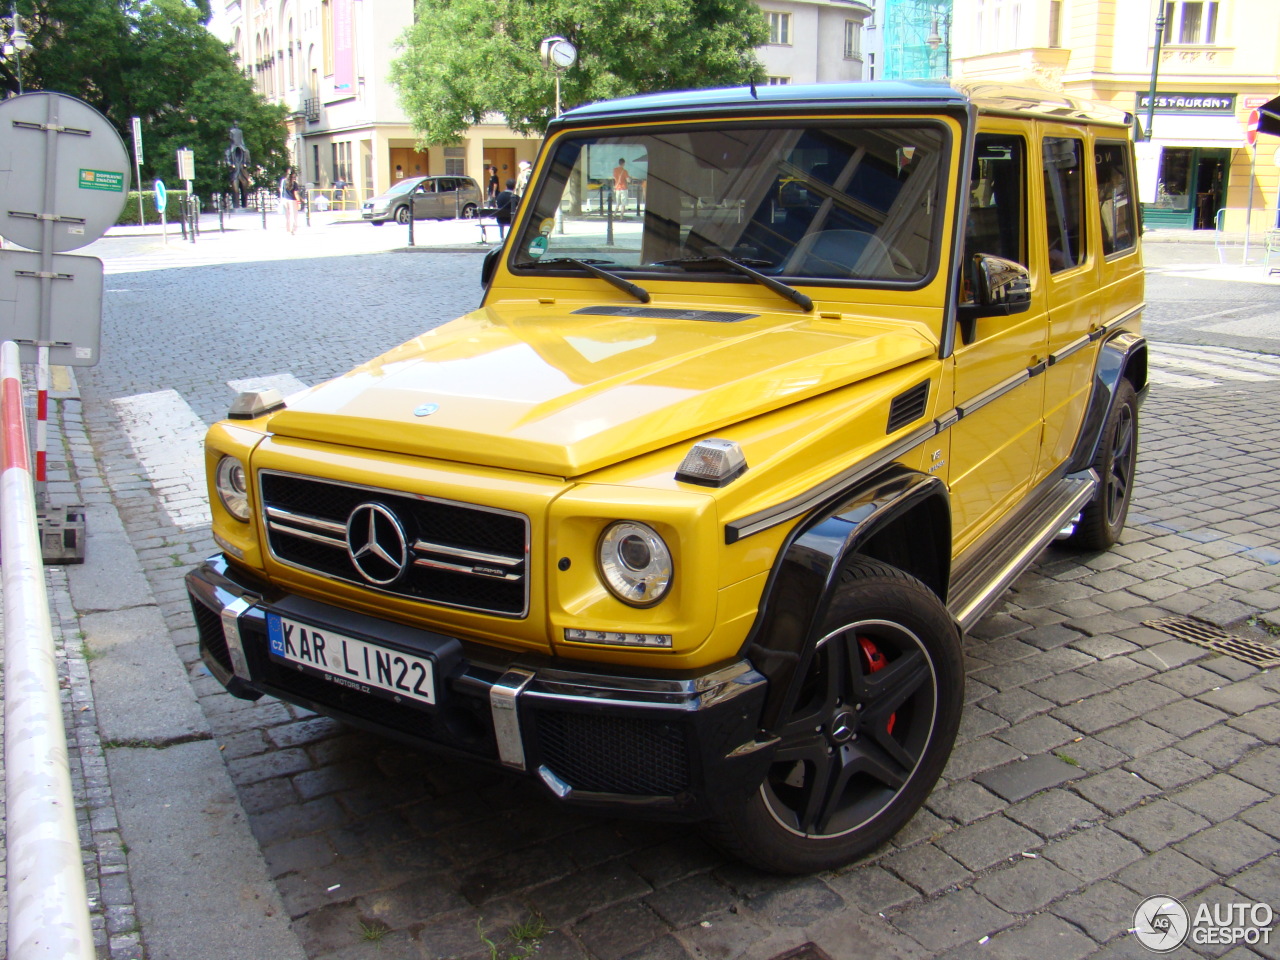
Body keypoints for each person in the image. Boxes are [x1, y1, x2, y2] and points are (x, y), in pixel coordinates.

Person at [279, 170, 302, 235]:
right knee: (293, 215)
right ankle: (292, 229)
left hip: (285, 200)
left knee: (287, 215)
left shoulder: (283, 181)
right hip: (292, 200)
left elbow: (281, 191)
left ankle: (287, 229)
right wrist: (299, 202)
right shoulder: (294, 184)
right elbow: (296, 194)